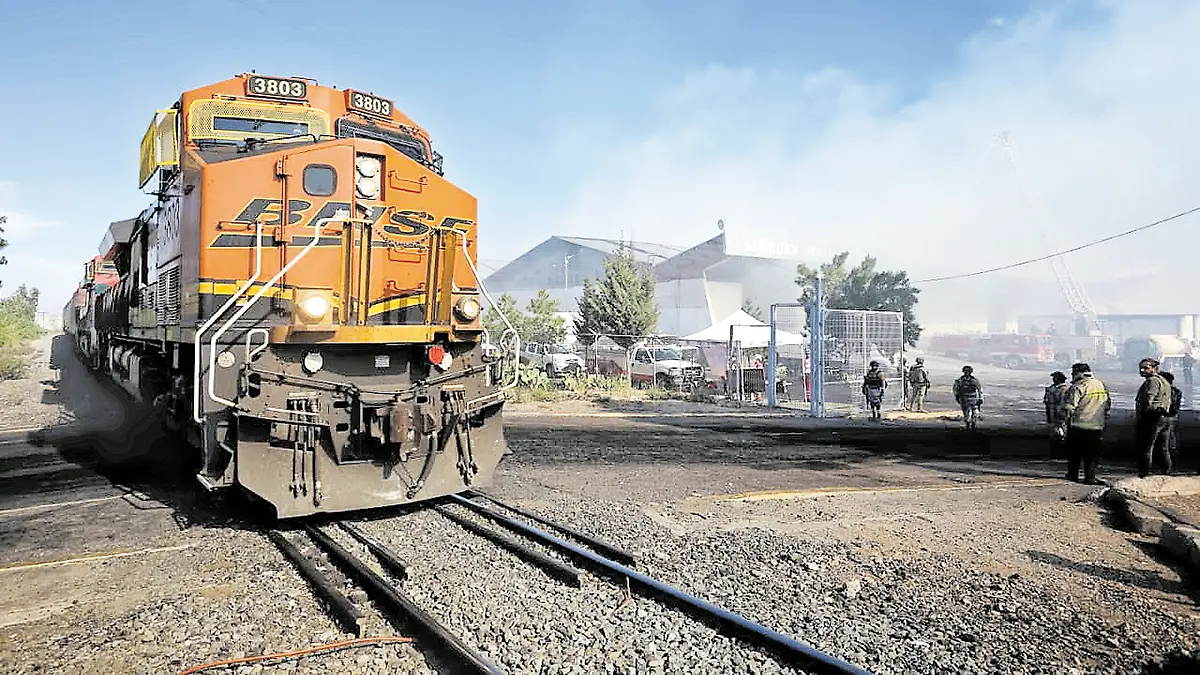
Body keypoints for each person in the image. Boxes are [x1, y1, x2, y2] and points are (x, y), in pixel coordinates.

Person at [1061, 362, 1111, 484]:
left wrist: (1063, 422)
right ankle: (1090, 477)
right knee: (1092, 454)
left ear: (1078, 373)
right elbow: (1107, 404)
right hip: (1097, 426)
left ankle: (1073, 475)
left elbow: (1069, 407)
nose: (1072, 375)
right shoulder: (1101, 385)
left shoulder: (1078, 386)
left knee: (1075, 453)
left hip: (1078, 425)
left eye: (1073, 373)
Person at [1135, 357, 1174, 477]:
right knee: (1163, 448)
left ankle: (1144, 473)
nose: (1142, 370)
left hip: (1153, 417)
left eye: (1146, 368)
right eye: (1141, 368)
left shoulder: (1152, 381)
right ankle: (1166, 473)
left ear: (1154, 368)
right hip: (1165, 418)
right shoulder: (1164, 381)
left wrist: (1143, 413)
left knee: (1146, 447)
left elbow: (1149, 400)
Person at [1160, 371, 1183, 468]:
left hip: (1164, 417)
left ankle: (1167, 466)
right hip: (1173, 417)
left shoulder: (1165, 391)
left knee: (1164, 444)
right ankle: (1172, 463)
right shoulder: (1177, 391)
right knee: (1171, 441)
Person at [953, 365, 983, 430]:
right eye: (966, 371)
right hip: (964, 399)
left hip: (973, 398)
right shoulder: (960, 381)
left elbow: (980, 389)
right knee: (966, 413)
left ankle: (973, 424)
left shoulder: (974, 380)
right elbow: (955, 388)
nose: (967, 373)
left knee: (975, 412)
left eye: (968, 371)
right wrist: (957, 396)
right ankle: (968, 425)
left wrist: (980, 398)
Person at [1043, 371, 1070, 441]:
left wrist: (1060, 412)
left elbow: (1062, 402)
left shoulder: (1064, 389)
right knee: (1053, 428)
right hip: (1052, 411)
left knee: (1060, 428)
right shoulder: (1052, 388)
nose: (1053, 379)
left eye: (1055, 378)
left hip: (1058, 412)